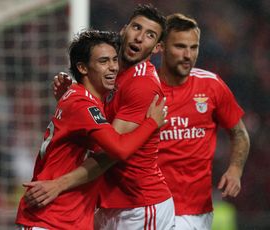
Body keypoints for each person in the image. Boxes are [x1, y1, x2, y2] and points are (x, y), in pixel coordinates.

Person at [23, 4, 175, 230]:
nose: (140, 37)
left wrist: (58, 184)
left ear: (157, 48)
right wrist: (74, 103)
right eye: (136, 27)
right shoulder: (108, 79)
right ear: (124, 30)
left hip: (138, 205)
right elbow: (93, 123)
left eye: (150, 35)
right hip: (108, 202)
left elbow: (111, 152)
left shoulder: (141, 84)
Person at [156, 13, 250, 230]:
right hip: (146, 205)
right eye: (180, 46)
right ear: (161, 47)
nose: (188, 55)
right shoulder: (143, 87)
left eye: (194, 47)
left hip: (193, 210)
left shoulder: (212, 86)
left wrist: (235, 169)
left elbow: (239, 133)